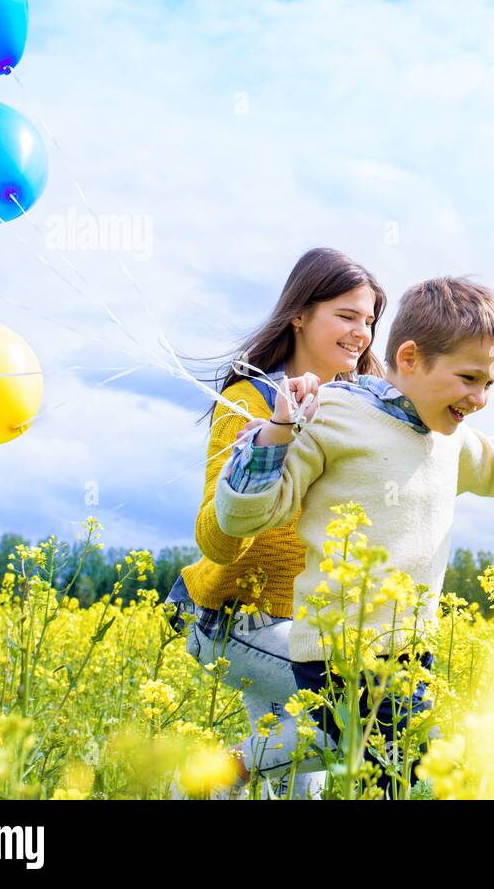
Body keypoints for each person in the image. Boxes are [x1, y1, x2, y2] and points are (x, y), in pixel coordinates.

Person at [214, 276, 494, 797]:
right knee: (407, 768)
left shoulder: (449, 437)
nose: (481, 398)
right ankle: (231, 768)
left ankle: (231, 769)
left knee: (379, 766)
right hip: (342, 647)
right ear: (408, 359)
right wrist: (275, 434)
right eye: (469, 378)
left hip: (410, 649)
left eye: (490, 385)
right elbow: (246, 516)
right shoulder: (334, 414)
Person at [163, 247, 386, 798]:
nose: (362, 333)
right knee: (360, 715)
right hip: (242, 622)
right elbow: (216, 539)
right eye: (347, 315)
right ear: (300, 314)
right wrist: (272, 443)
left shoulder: (357, 408)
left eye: (370, 320)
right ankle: (206, 777)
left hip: (304, 623)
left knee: (294, 786)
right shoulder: (249, 400)